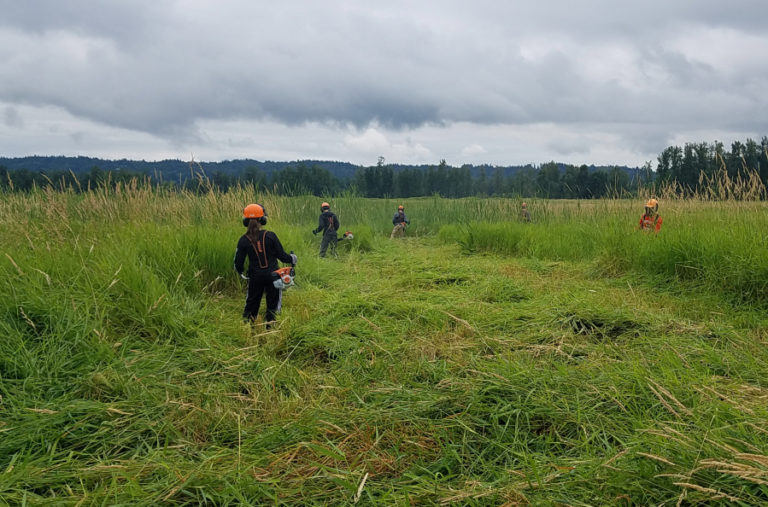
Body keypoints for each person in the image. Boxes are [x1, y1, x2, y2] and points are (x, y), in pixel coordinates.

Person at [234, 203, 297, 328]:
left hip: (255, 277)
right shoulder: (270, 236)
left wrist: (241, 272)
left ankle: (248, 328)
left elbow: (238, 263)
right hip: (274, 276)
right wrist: (293, 259)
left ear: (245, 221)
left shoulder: (243, 240)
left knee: (252, 303)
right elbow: (282, 255)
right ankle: (270, 329)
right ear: (263, 220)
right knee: (273, 305)